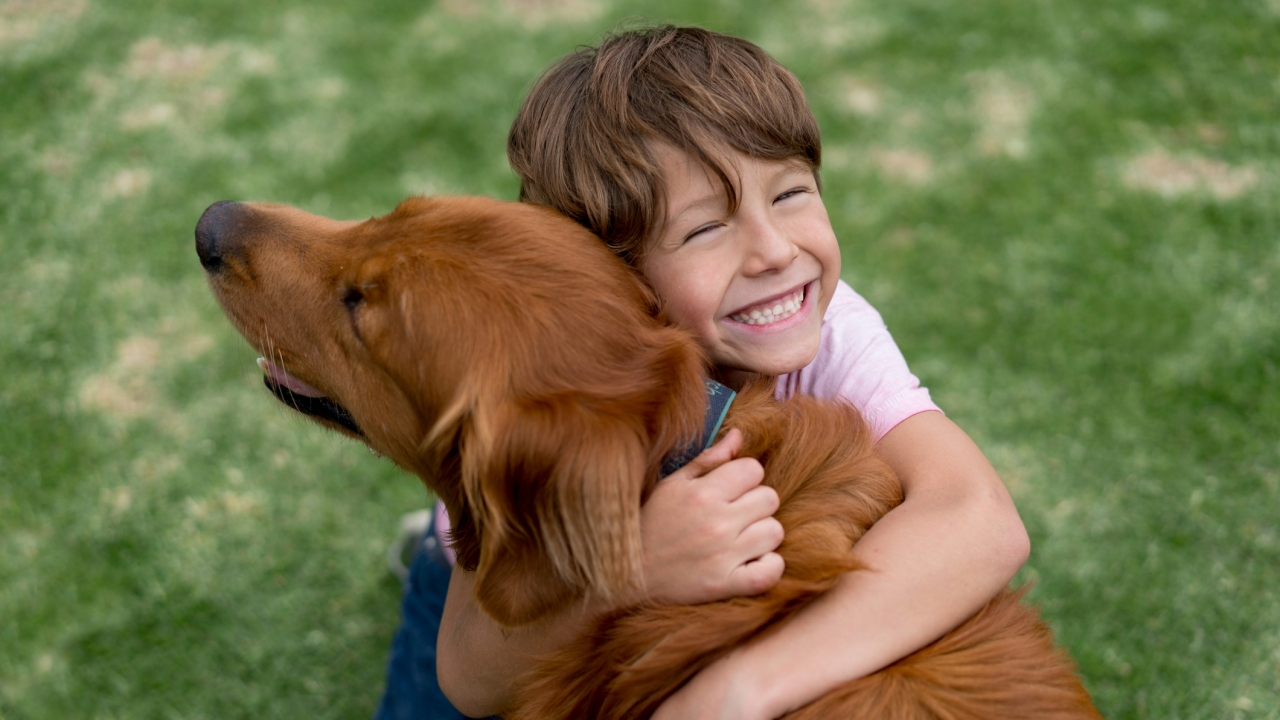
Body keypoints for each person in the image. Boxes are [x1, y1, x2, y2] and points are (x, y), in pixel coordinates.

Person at [376, 24, 1029, 720]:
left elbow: (980, 520)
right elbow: (472, 681)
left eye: (789, 195)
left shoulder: (833, 329)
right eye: (704, 230)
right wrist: (631, 574)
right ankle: (436, 549)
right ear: (618, 283)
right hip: (526, 584)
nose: (775, 252)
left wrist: (740, 691)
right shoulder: (539, 391)